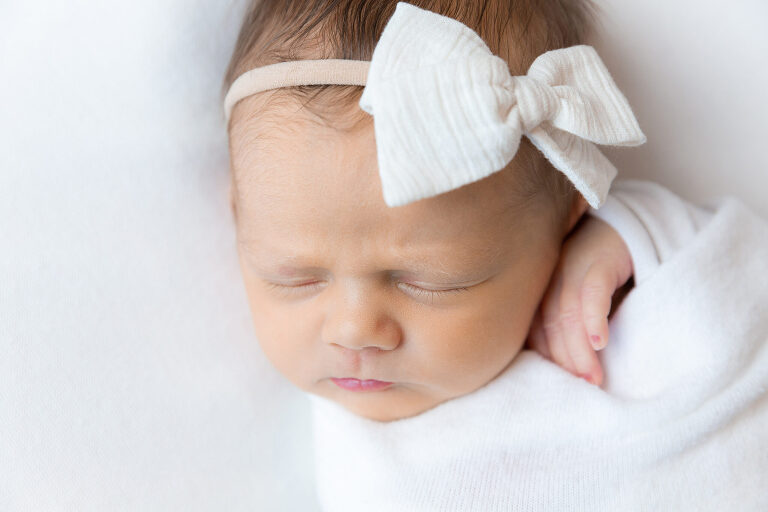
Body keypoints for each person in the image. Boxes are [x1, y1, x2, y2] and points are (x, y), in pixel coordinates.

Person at [222, 1, 768, 509]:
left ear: (565, 220)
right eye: (292, 278)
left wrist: (630, 233)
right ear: (239, 218)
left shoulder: (615, 309)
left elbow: (744, 287)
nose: (354, 329)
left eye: (431, 282)